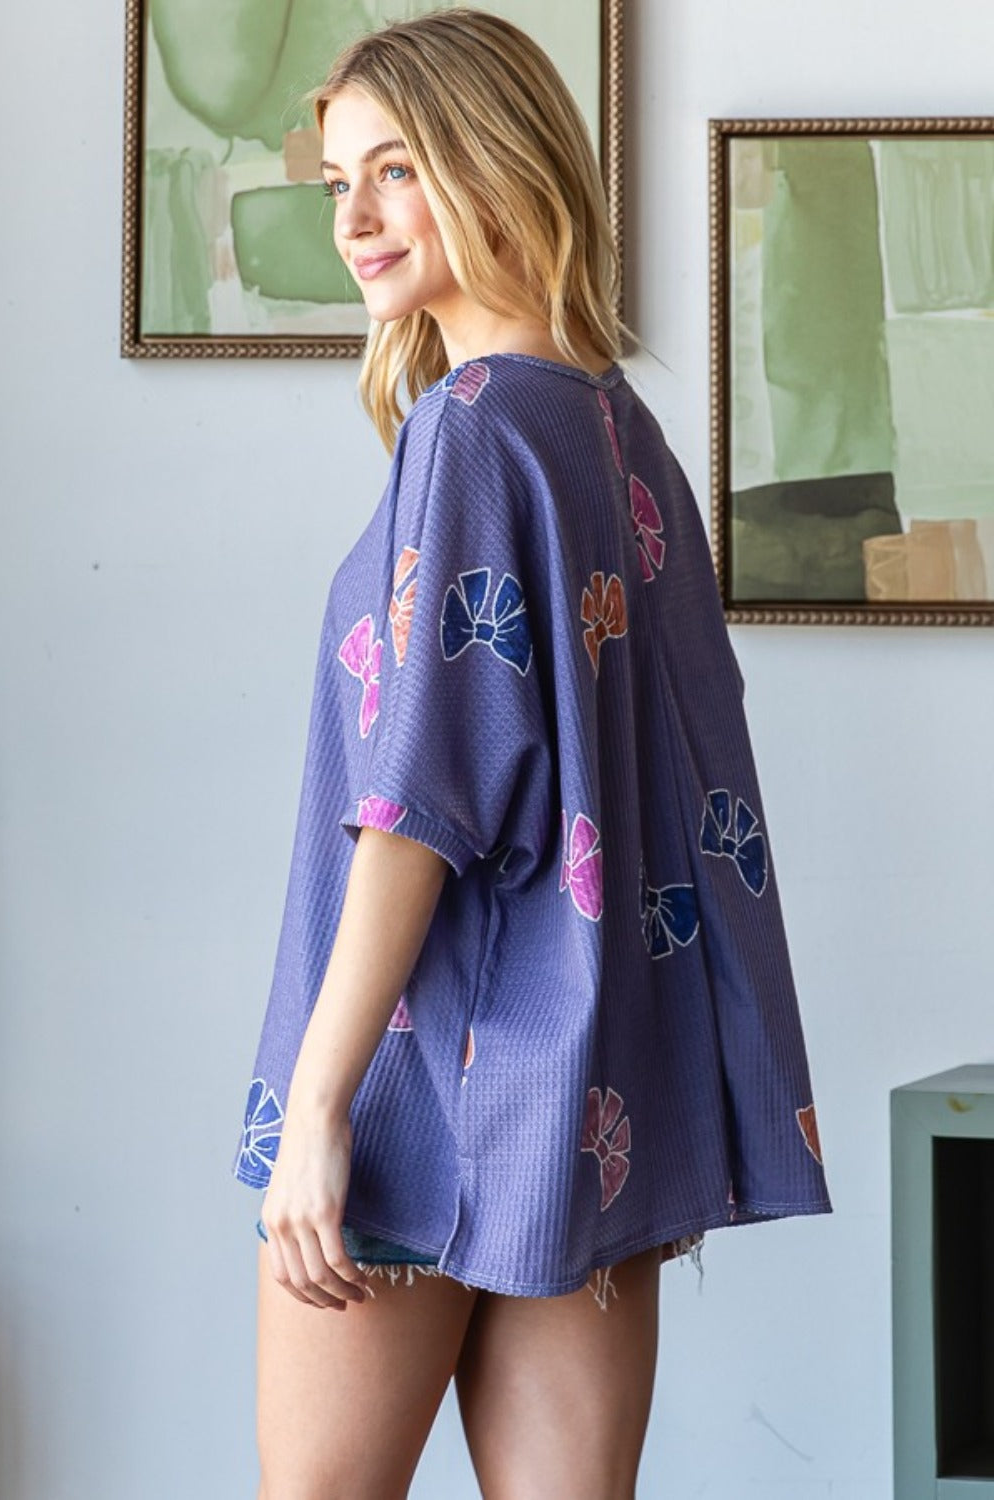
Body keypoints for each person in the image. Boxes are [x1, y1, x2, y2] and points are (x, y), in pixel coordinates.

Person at [231, 9, 832, 1497]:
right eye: (338, 183)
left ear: (493, 164)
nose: (353, 220)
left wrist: (318, 1105)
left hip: (421, 1073)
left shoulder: (475, 425)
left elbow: (420, 807)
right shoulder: (623, 433)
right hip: (589, 1088)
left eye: (396, 171)